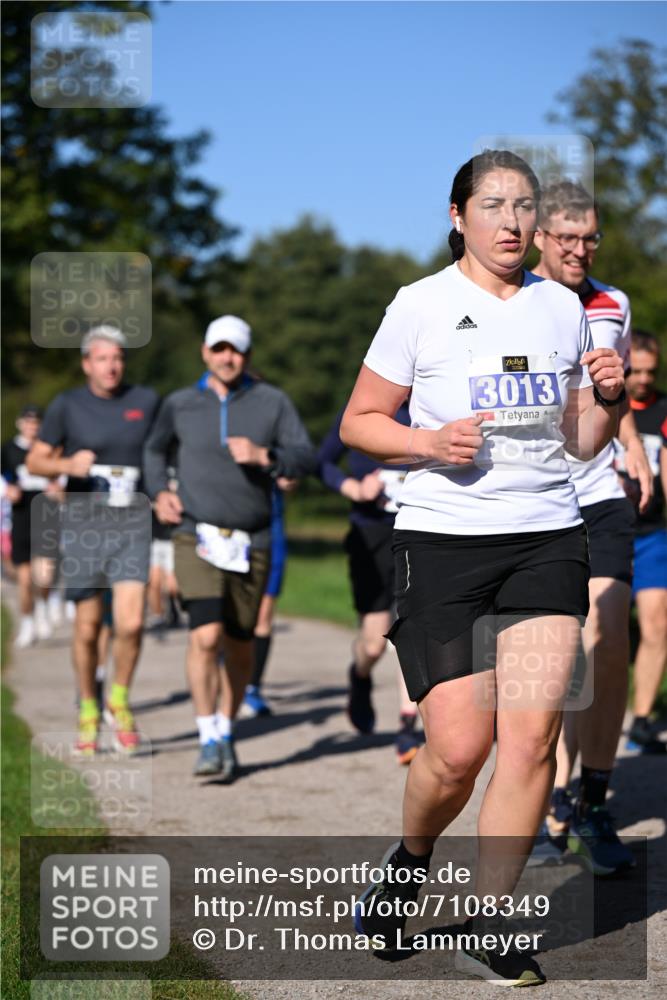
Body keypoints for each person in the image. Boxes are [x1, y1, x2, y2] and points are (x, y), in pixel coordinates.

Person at [341, 149, 624, 986]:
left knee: (531, 739)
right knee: (458, 751)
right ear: (458, 216)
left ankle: (494, 920)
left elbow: (578, 443)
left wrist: (606, 398)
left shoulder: (561, 310)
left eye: (523, 206)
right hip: (441, 540)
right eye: (493, 204)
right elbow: (361, 420)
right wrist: (424, 442)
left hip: (545, 536)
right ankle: (409, 858)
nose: (511, 220)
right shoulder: (418, 305)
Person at [532, 181, 652, 872]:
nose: (579, 250)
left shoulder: (613, 303)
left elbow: (606, 385)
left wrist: (629, 438)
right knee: (556, 657)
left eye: (590, 238)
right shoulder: (509, 301)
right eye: (567, 238)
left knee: (607, 642)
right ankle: (547, 798)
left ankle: (593, 799)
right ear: (541, 235)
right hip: (533, 497)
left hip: (598, 492)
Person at [143, 315, 316, 782]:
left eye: (235, 350)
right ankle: (206, 736)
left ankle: (225, 727)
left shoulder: (271, 402)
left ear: (247, 356)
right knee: (204, 636)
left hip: (252, 537)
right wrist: (160, 491)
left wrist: (266, 457)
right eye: (219, 348)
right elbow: (154, 450)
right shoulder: (180, 403)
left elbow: (305, 454)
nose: (227, 357)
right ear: (205, 352)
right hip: (194, 533)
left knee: (240, 645)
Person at [27, 326, 160, 755]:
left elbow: (162, 453)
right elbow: (36, 459)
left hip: (132, 524)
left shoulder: (145, 402)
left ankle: (118, 699)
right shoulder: (67, 405)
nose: (112, 366)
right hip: (84, 525)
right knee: (86, 629)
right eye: (102, 359)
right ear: (87, 363)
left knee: (132, 622)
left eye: (118, 357)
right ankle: (88, 703)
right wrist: (68, 464)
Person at [318, 402, 421, 764]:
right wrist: (353, 487)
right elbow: (323, 463)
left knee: (414, 628)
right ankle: (359, 673)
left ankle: (407, 727)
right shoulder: (361, 408)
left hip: (422, 528)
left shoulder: (431, 400)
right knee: (375, 643)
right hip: (370, 533)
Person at [619, 331, 667, 752]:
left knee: (657, 625)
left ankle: (641, 720)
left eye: (652, 372)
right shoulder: (601, 403)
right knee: (600, 631)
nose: (644, 380)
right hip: (601, 533)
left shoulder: (664, 410)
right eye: (637, 371)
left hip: (651, 535)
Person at [1, 404, 62, 647]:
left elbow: (61, 477)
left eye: (35, 423)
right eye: (28, 423)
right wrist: (8, 491)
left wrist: (58, 488)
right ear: (20, 424)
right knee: (25, 579)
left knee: (44, 576)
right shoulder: (8, 449)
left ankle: (45, 604)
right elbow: (4, 478)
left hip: (46, 515)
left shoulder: (49, 449)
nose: (31, 428)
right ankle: (28, 622)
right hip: (21, 517)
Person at [242, 479, 295, 717]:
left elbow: (298, 463)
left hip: (270, 526)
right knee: (230, 612)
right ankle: (228, 671)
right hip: (231, 524)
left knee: (263, 613)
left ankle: (252, 687)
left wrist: (289, 475)